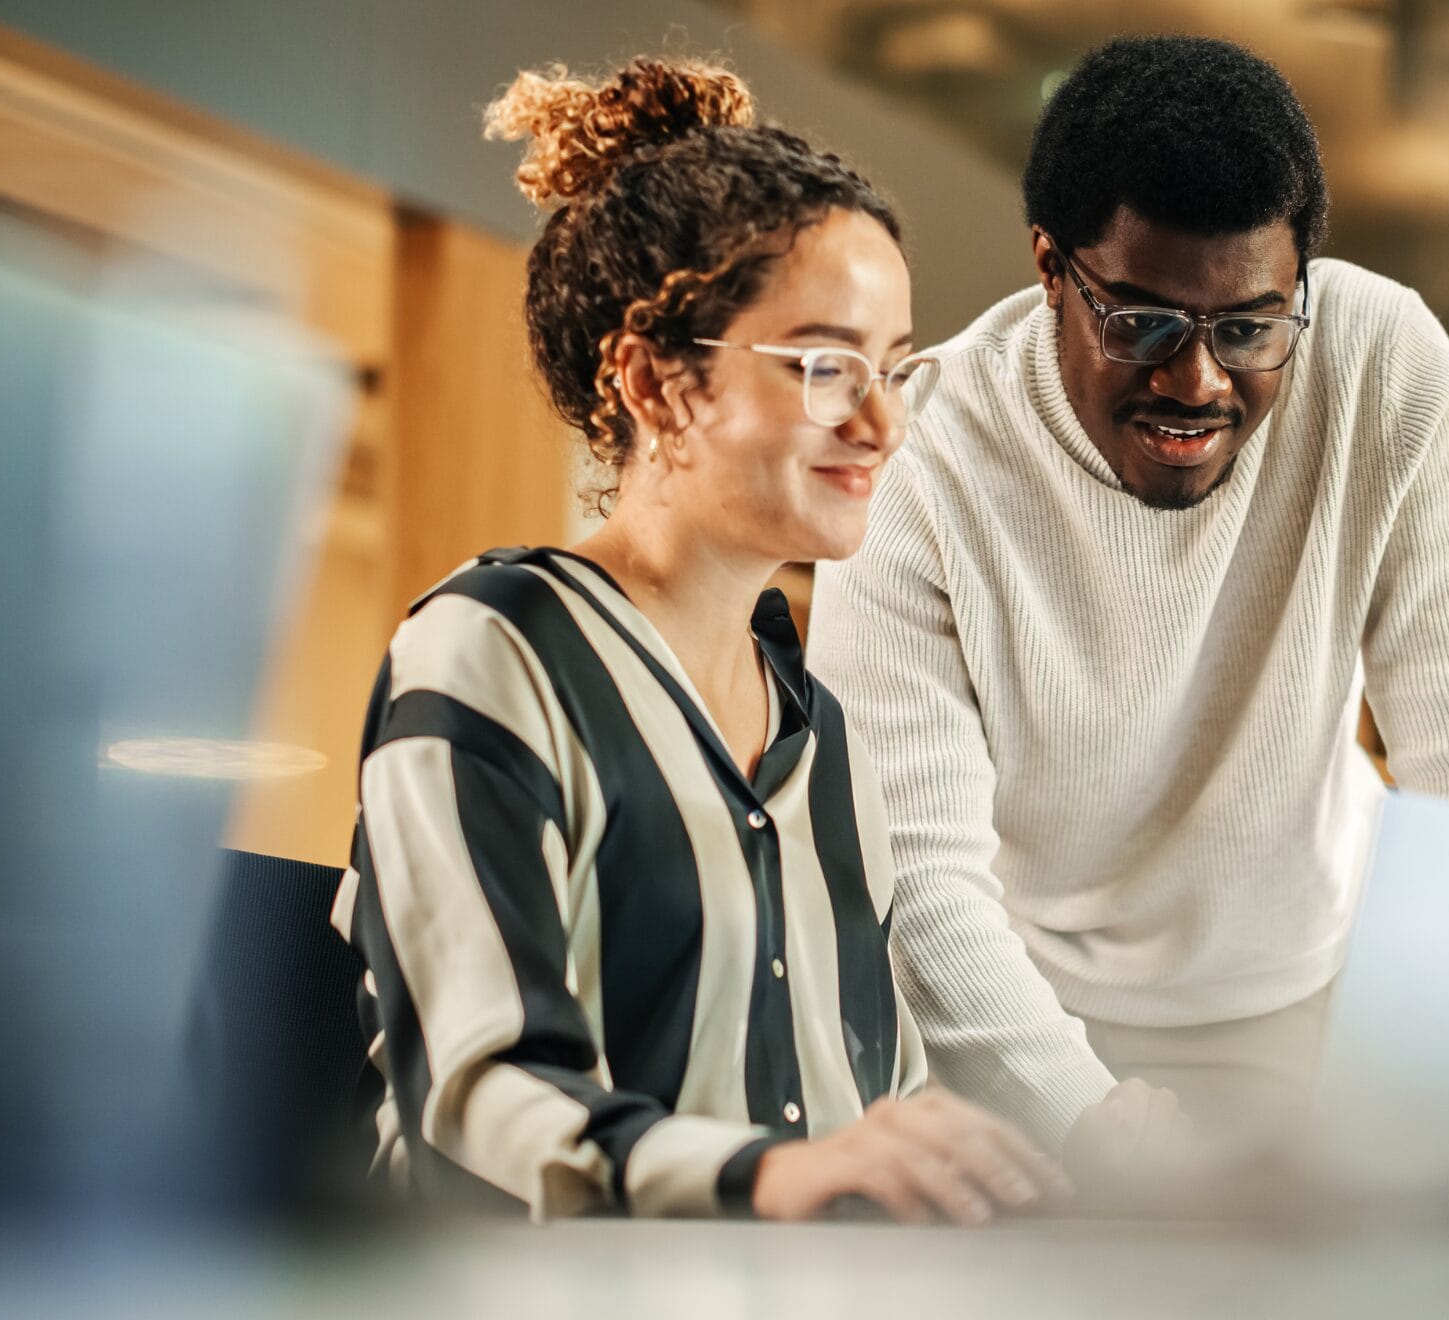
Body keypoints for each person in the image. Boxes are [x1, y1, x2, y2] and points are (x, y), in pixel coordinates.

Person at [808, 36, 1449, 1158]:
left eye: (1249, 328)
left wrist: (1437, 1104)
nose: (1197, 381)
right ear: (1047, 268)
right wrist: (1089, 1124)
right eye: (1142, 324)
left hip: (1313, 1003)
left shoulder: (1378, 363)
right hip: (1019, 1029)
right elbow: (916, 878)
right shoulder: (922, 461)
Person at [330, 56, 1064, 1223]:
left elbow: (878, 1112)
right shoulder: (495, 648)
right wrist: (767, 1177)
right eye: (826, 365)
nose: (880, 422)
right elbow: (477, 1095)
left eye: (894, 368)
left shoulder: (826, 742)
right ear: (655, 383)